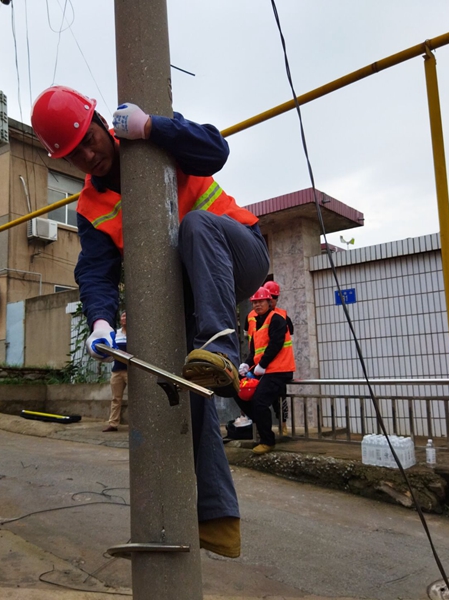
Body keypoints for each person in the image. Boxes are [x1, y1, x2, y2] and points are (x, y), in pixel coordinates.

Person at [31, 85, 270, 558]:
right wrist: (100, 322)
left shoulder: (152, 137)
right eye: (74, 154)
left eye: (88, 141)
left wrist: (152, 127)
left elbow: (216, 150)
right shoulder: (90, 208)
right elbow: (95, 272)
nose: (88, 156)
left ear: (100, 123)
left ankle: (223, 347)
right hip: (194, 291)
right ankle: (218, 518)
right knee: (189, 379)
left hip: (240, 251)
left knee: (196, 224)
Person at [239, 286, 295, 455]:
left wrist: (262, 365)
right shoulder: (257, 322)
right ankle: (262, 427)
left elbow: (276, 344)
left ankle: (267, 440)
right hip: (265, 369)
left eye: (260, 301)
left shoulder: (276, 319)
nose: (257, 305)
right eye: (254, 302)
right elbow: (255, 351)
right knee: (241, 393)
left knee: (260, 401)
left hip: (279, 370)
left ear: (269, 302)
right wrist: (246, 365)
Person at [103, 311, 127, 432]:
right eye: (123, 316)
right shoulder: (115, 334)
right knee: (116, 398)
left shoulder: (136, 335)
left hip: (131, 371)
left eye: (127, 316)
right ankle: (113, 423)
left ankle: (139, 423)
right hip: (117, 370)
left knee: (137, 398)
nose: (124, 318)